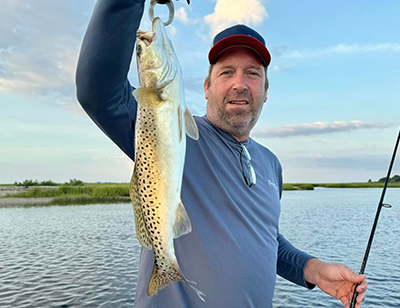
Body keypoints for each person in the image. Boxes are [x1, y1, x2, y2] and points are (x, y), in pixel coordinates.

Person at [76, 0, 368, 307]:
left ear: (266, 91)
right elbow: (97, 91)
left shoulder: (271, 165)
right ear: (206, 87)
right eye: (226, 72)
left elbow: (266, 240)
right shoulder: (172, 133)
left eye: (252, 74)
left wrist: (314, 270)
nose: (239, 84)